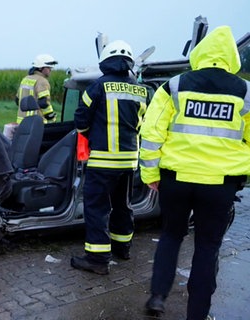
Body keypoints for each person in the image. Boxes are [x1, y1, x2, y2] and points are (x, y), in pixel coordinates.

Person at [140, 25, 250, 320]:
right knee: (207, 246)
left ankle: (158, 296)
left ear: (201, 52)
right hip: (220, 185)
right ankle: (197, 314)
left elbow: (152, 131)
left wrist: (150, 172)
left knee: (171, 236)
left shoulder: (174, 86)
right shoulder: (245, 92)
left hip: (176, 179)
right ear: (231, 56)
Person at [70, 40, 147, 275]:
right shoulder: (140, 90)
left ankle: (97, 259)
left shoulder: (98, 87)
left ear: (106, 61)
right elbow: (142, 124)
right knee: (123, 205)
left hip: (103, 161)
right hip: (129, 161)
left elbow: (81, 120)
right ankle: (123, 248)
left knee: (97, 208)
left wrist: (90, 135)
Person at [15, 54, 58, 124]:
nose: (51, 70)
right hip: (35, 124)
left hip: (21, 123)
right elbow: (43, 103)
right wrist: (51, 116)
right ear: (41, 68)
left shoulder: (25, 79)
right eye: (49, 67)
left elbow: (17, 100)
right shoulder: (42, 81)